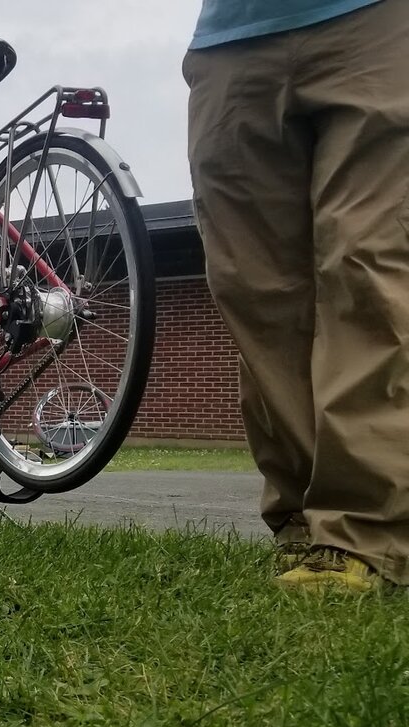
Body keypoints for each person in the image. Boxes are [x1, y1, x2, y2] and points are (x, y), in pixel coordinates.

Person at [185, 0, 406, 592]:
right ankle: (304, 523)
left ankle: (366, 531)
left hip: (378, 21)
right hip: (231, 38)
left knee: (363, 259)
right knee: (253, 287)